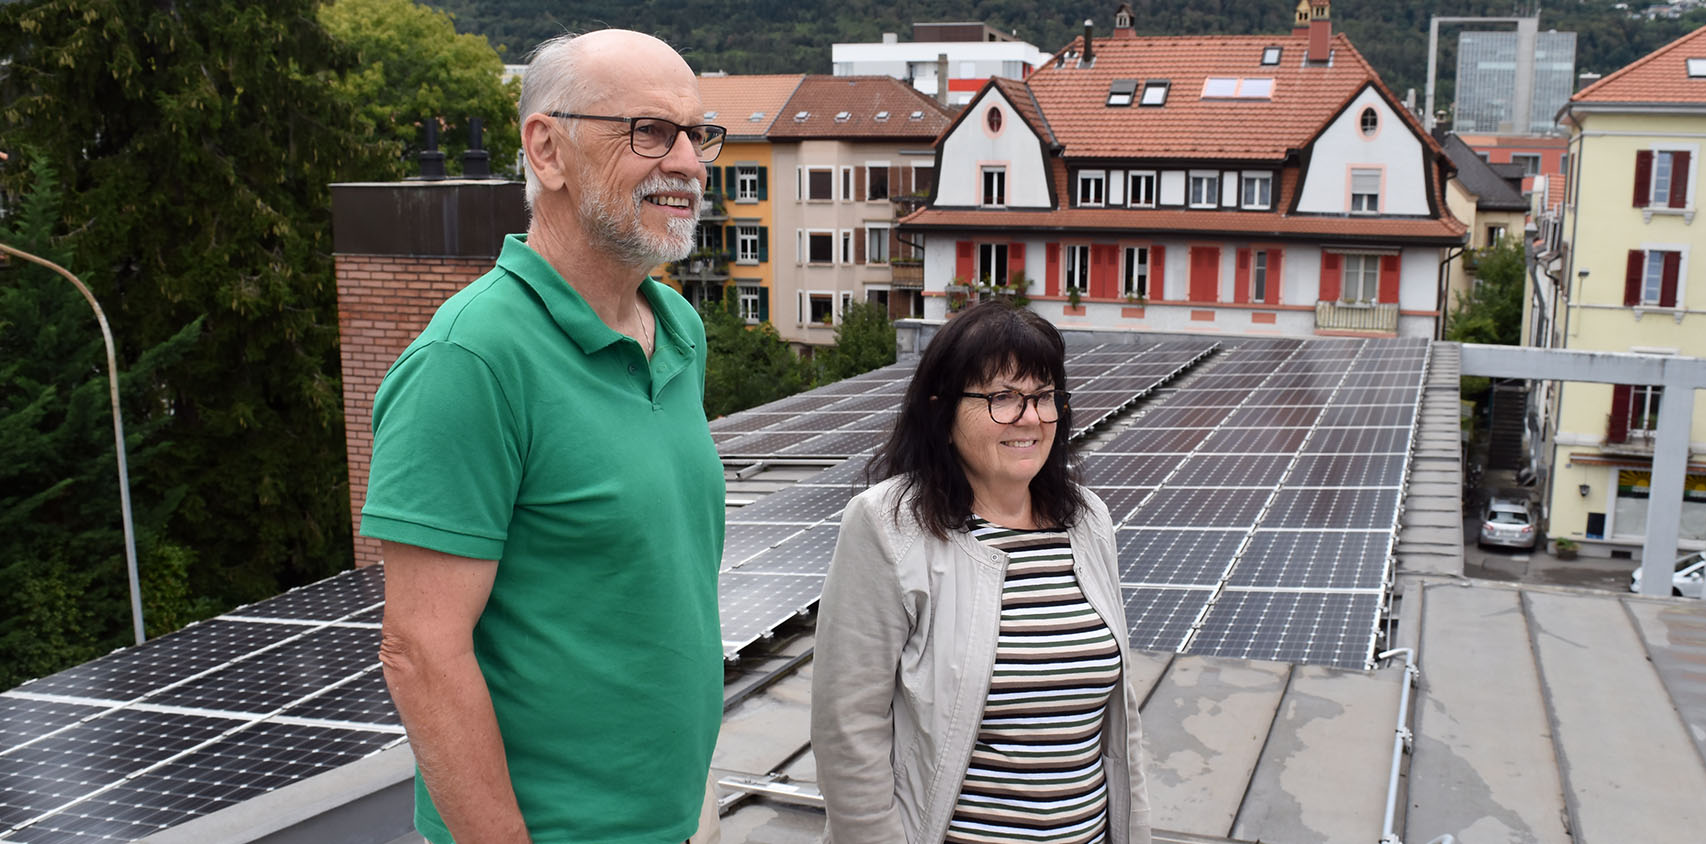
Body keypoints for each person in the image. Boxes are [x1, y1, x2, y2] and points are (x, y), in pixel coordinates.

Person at [360, 29, 727, 844]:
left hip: (674, 817)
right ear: (548, 150)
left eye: (698, 136)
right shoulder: (471, 360)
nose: (690, 165)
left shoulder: (677, 331)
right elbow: (420, 650)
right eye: (650, 133)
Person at [812, 301, 1151, 844]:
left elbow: (1119, 726)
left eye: (1044, 397)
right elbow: (848, 727)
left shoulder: (1087, 522)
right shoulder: (888, 525)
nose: (1032, 418)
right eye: (1002, 398)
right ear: (941, 413)